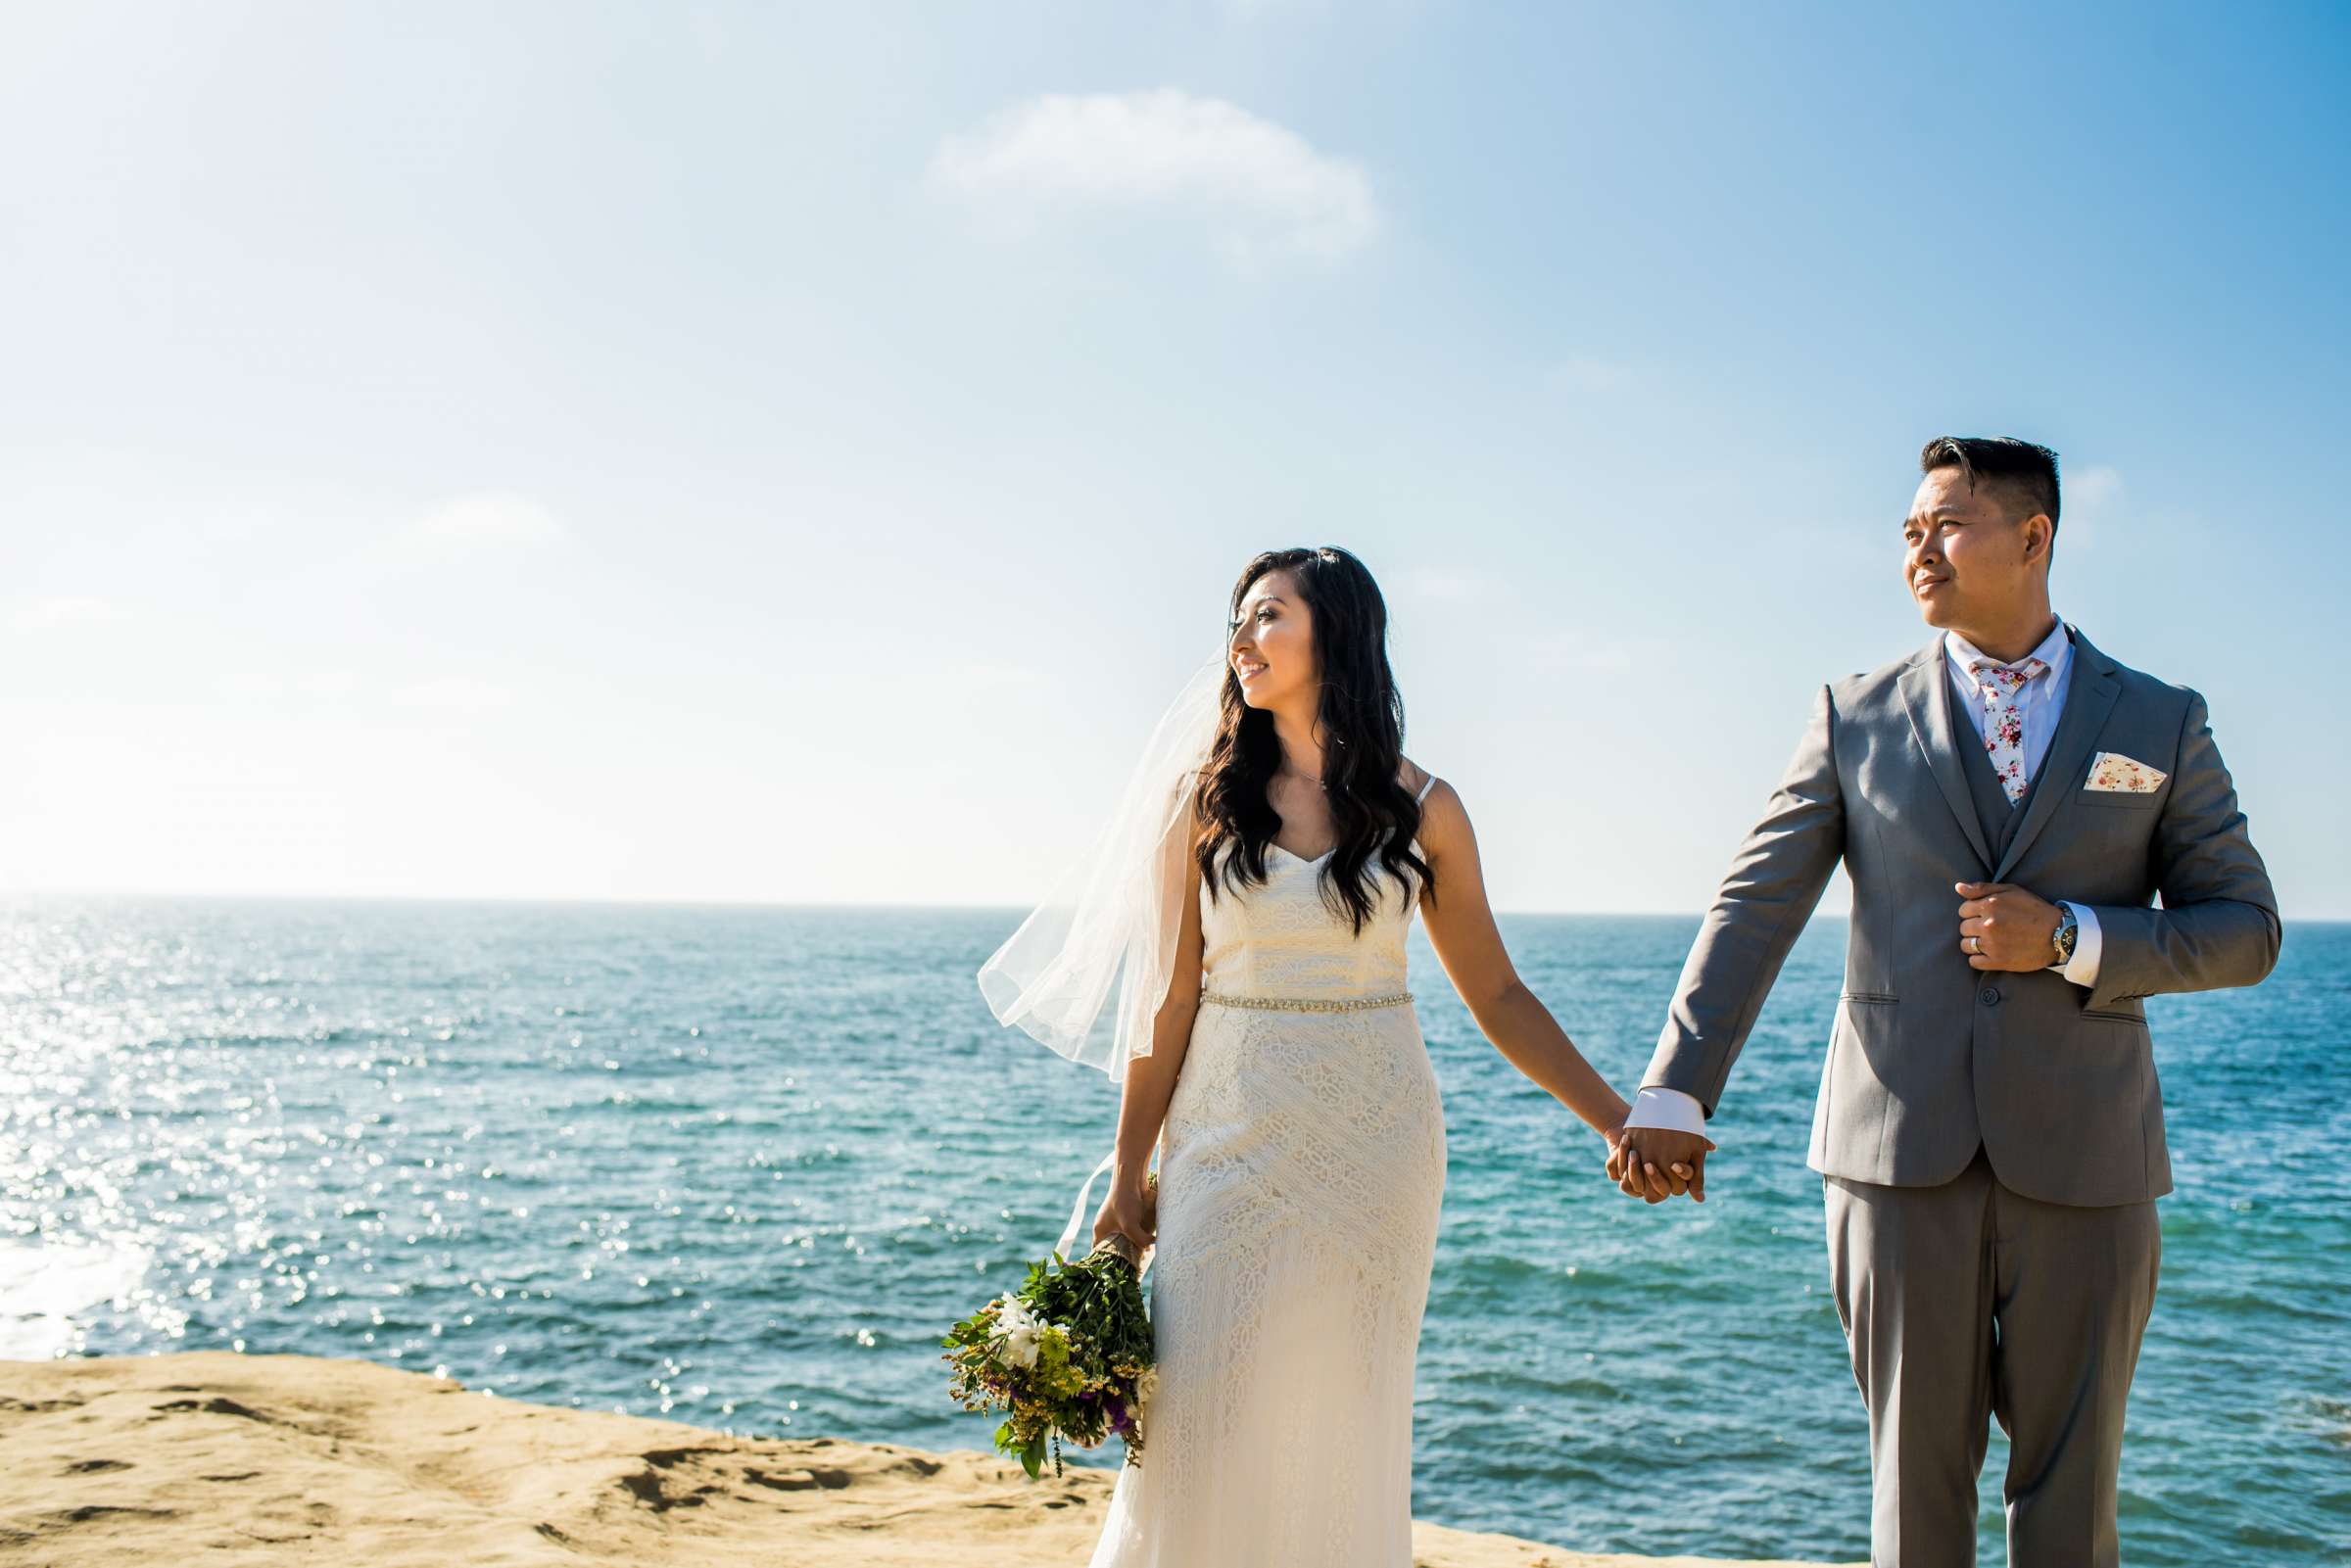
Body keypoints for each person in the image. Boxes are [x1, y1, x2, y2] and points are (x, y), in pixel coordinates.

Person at [1612, 437, 2280, 1567]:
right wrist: (1678, 1085)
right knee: (1915, 1509)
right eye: (1910, 528)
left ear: (2034, 538)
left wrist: (2072, 937)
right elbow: (1754, 906)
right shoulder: (1853, 714)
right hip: (1894, 1160)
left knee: (2072, 1508)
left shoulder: (2161, 721)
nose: (1920, 545)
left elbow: (2245, 929)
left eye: (1949, 522)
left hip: (2090, 1163)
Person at [982, 546, 1648, 1567]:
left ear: (1333, 631)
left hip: (1375, 1147)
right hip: (1225, 1142)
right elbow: (1167, 999)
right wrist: (1126, 1175)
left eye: (1268, 617)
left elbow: (1500, 993)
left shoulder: (1425, 807)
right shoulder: (1199, 804)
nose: (1243, 640)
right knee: (1202, 1408)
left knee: (1346, 1411)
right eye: (1238, 622)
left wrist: (1615, 1116)